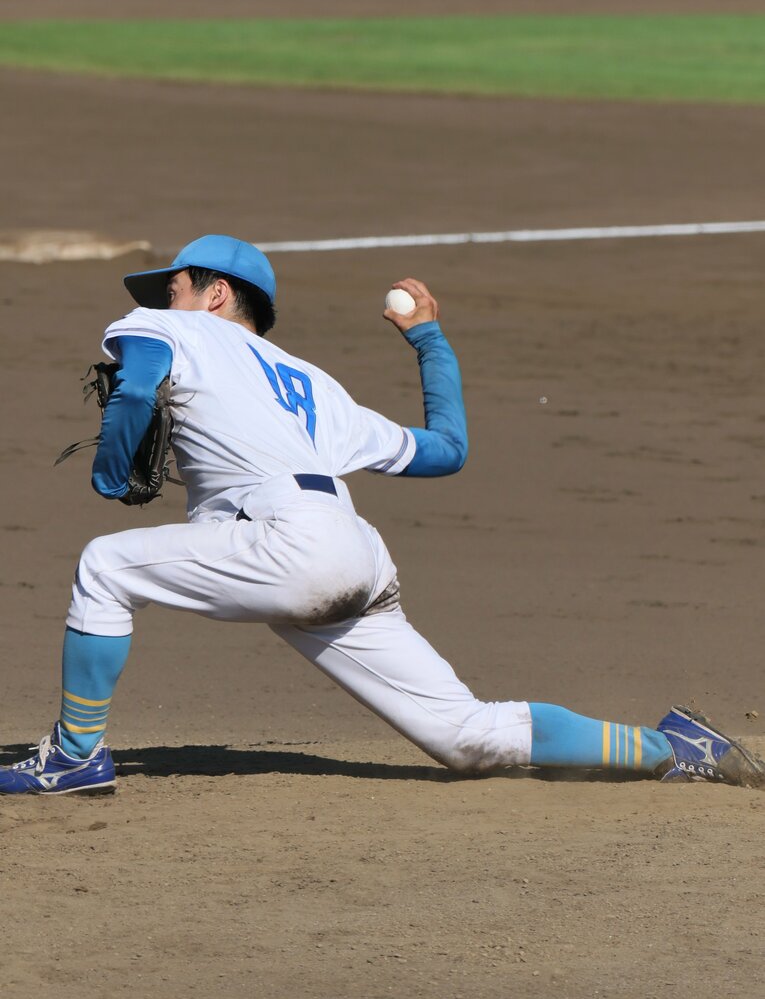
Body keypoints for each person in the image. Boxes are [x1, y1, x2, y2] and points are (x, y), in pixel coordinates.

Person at [1, 234, 762, 795]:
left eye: (173, 287)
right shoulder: (313, 384)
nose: (162, 300)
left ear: (216, 294)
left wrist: (111, 466)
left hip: (283, 546)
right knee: (465, 737)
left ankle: (73, 755)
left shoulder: (177, 329)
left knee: (105, 563)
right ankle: (674, 748)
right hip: (354, 555)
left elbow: (135, 391)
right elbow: (446, 449)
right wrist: (427, 340)